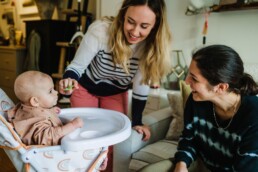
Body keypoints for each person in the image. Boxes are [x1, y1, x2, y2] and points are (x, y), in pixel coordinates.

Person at [59, 0, 172, 171]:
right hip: (85, 88)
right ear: (123, 15)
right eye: (130, 22)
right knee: (85, 139)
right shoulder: (101, 31)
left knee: (113, 141)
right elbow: (77, 67)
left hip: (115, 92)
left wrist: (138, 121)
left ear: (155, 27)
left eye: (144, 26)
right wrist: (68, 80)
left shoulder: (150, 47)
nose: (135, 32)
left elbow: (140, 88)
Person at [173, 45, 258, 171]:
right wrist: (181, 164)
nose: (186, 81)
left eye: (194, 79)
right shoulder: (196, 99)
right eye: (189, 74)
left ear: (221, 87)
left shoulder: (254, 117)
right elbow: (189, 139)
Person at [7, 71, 84, 146]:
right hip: (47, 154)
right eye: (50, 91)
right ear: (35, 101)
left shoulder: (25, 108)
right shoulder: (37, 119)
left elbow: (38, 110)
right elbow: (49, 138)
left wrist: (50, 111)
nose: (56, 92)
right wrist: (73, 125)